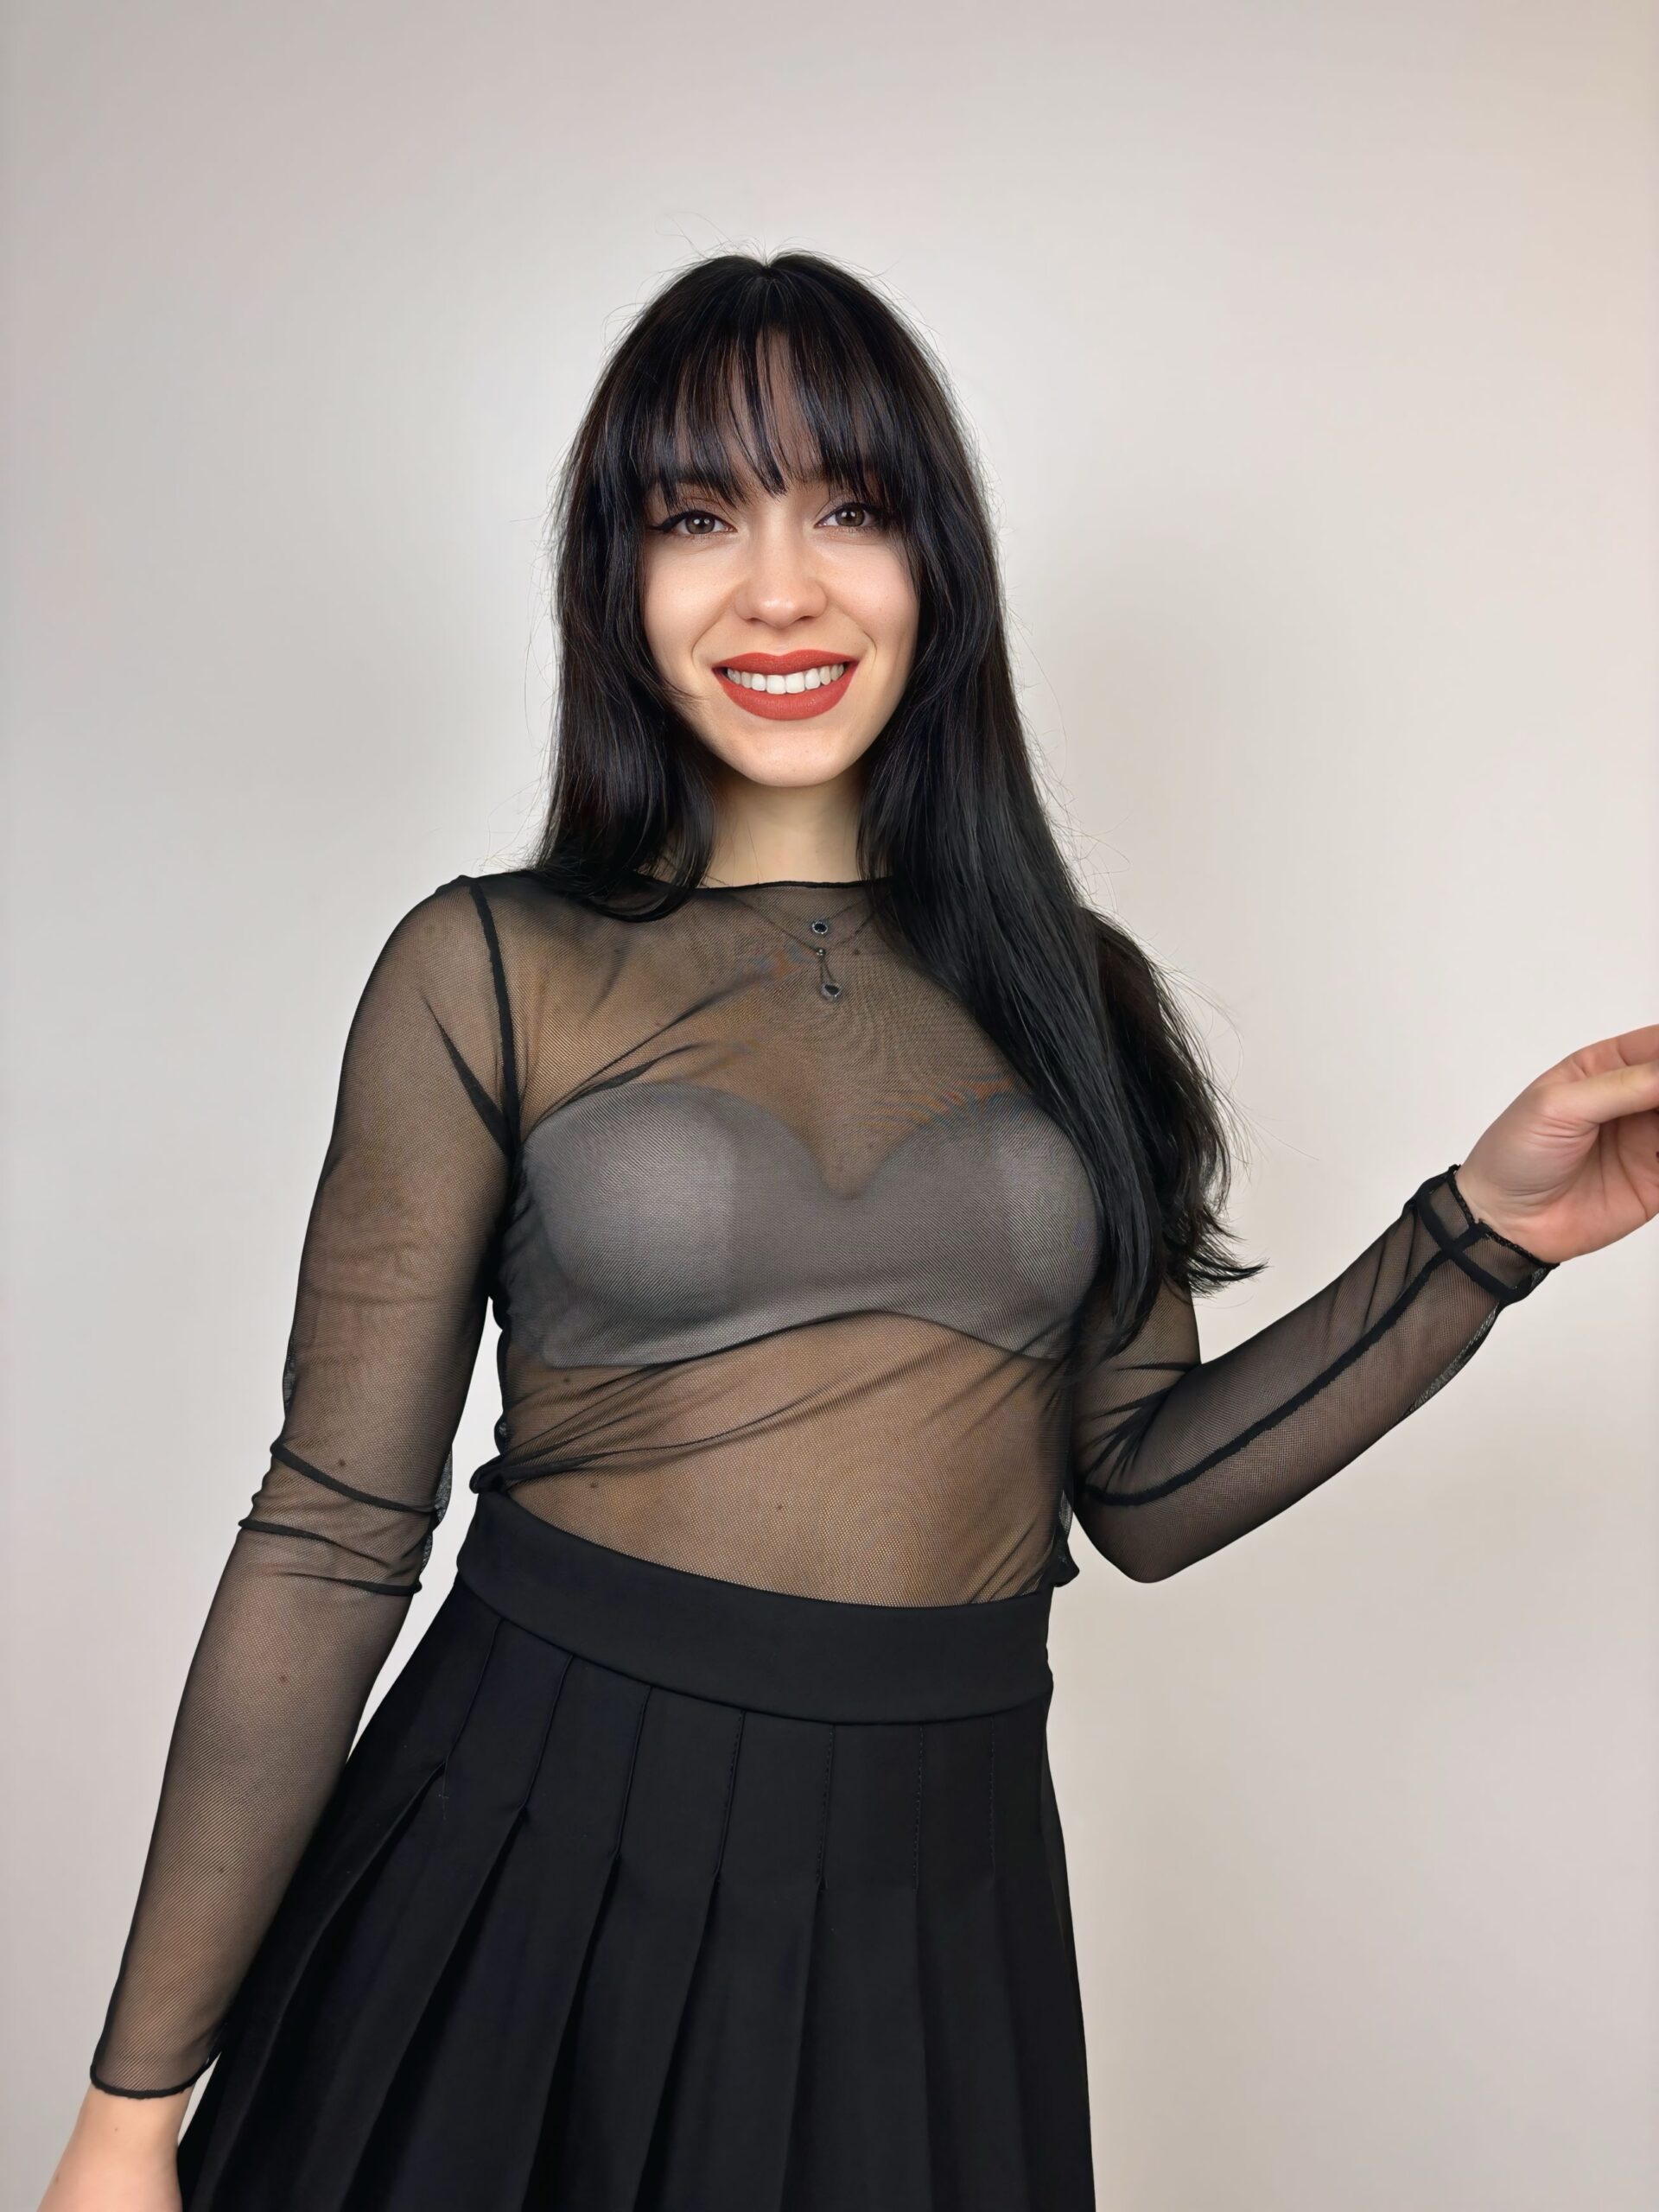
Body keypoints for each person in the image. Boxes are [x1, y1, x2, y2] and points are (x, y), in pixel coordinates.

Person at [39, 250, 1657, 2212]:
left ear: (936, 568)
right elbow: (331, 1526)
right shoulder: (492, 968)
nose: (779, 588)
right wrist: (129, 2111)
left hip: (936, 1893)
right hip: (528, 1840)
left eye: (851, 508)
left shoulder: (1072, 990)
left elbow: (1143, 1489)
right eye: (695, 517)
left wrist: (1484, 1232)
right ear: (616, 583)